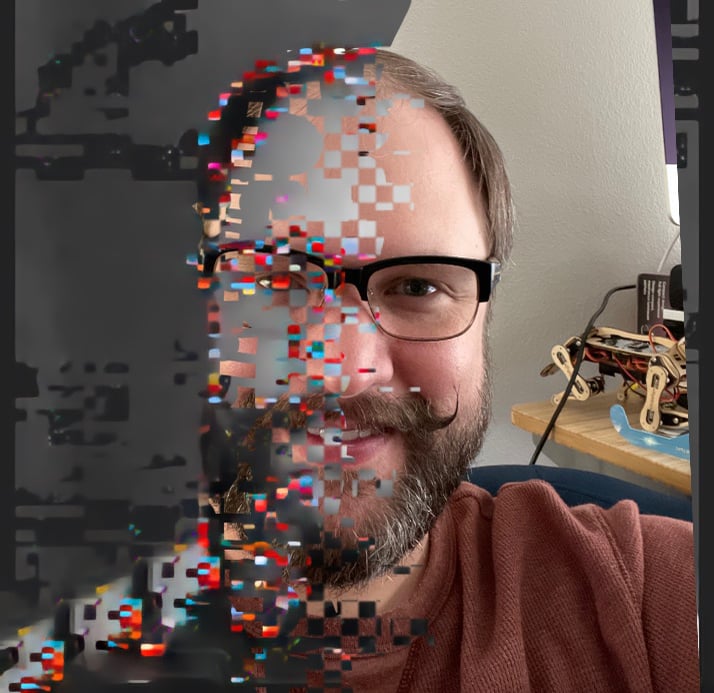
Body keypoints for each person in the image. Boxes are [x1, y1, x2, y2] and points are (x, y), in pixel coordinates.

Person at [189, 47, 699, 691]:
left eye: (418, 286)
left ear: (485, 314)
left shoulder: (647, 595)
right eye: (274, 282)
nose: (348, 370)